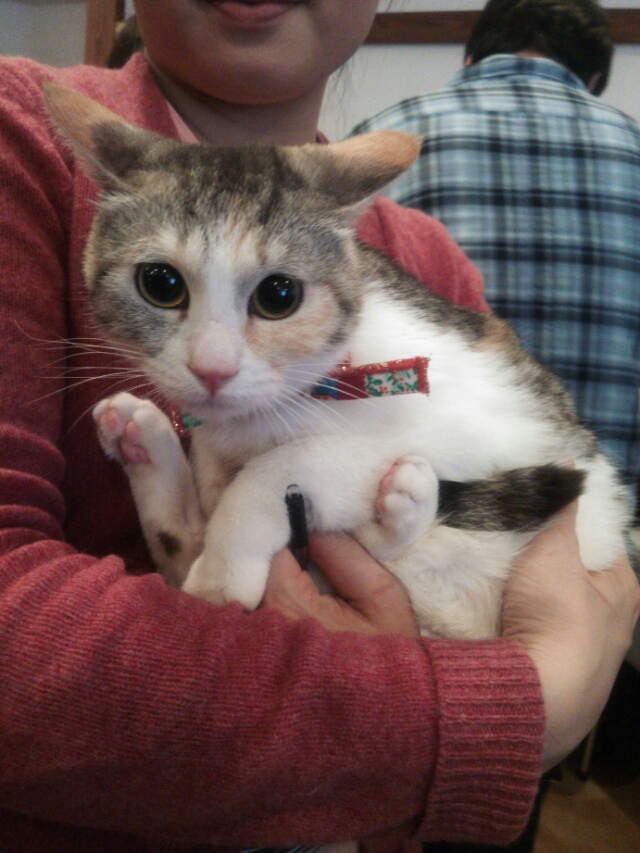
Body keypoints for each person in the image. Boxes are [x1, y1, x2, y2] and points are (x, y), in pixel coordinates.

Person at [0, 1, 637, 850]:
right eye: (161, 285)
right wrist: (510, 707)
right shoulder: (22, 140)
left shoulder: (426, 259)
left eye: (275, 294)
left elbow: (573, 545)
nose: (212, 364)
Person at [351, 0, 640, 501]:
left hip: (425, 509)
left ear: (471, 58)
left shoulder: (384, 146)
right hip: (610, 512)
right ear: (593, 78)